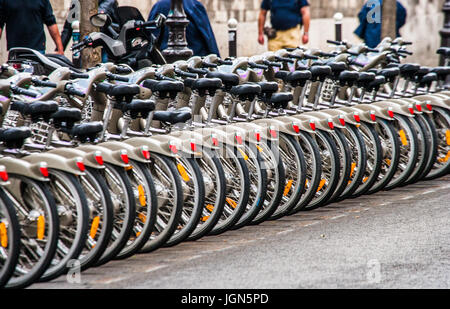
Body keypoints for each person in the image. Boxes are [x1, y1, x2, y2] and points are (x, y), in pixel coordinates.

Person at [148, 0, 220, 57]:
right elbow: (209, 38)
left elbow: (150, 36)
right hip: (195, 62)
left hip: (163, 62)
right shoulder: (193, 5)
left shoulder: (158, 6)